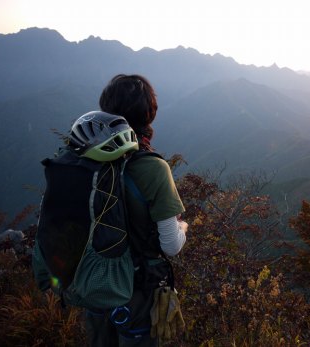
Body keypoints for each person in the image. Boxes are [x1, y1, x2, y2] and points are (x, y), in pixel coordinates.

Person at [85, 74, 188, 346]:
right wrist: (183, 227)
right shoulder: (153, 168)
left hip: (93, 285)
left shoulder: (84, 160)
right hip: (135, 293)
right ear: (149, 115)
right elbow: (171, 245)